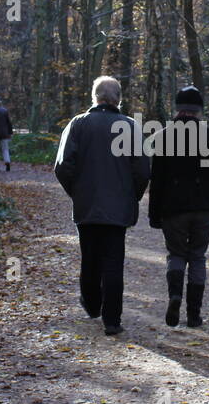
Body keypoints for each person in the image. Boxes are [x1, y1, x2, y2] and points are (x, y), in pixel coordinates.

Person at [55, 76, 150, 336]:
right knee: (113, 262)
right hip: (118, 208)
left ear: (94, 97)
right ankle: (112, 320)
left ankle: (92, 304)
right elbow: (142, 169)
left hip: (87, 206)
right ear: (118, 98)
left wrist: (77, 192)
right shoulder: (130, 127)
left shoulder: (78, 124)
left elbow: (63, 166)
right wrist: (132, 196)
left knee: (90, 258)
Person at [148, 85, 209, 328]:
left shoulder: (163, 136)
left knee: (176, 255)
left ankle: (175, 295)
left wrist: (154, 214)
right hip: (204, 208)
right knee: (197, 257)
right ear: (199, 110)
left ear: (177, 109)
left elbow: (158, 179)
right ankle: (194, 315)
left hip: (173, 210)